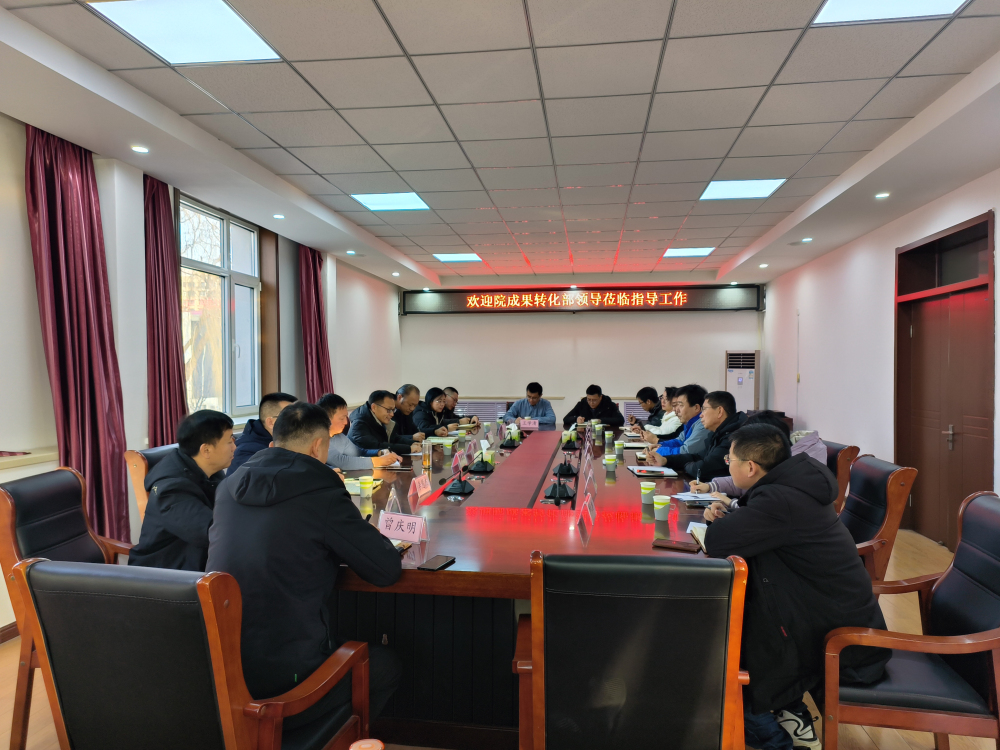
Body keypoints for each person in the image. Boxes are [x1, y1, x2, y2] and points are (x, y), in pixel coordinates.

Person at [207, 402, 402, 728]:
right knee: (384, 665)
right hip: (289, 682)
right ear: (318, 445)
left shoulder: (228, 487)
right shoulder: (322, 491)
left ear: (275, 440)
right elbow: (385, 570)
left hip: (222, 669)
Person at [703, 424, 889, 750]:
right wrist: (733, 512)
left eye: (730, 459)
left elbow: (717, 542)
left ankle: (777, 740)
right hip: (827, 617)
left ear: (751, 467)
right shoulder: (793, 487)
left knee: (726, 655)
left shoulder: (780, 500)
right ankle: (791, 714)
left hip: (840, 645)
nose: (726, 465)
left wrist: (723, 520)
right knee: (739, 634)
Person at [128, 410, 235, 571]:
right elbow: (213, 532)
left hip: (198, 562)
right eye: (229, 442)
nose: (234, 447)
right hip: (165, 574)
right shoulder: (171, 490)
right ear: (206, 450)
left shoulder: (209, 469)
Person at [691, 411, 826, 499]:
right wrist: (710, 486)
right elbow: (745, 479)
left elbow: (762, 509)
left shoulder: (793, 476)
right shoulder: (783, 462)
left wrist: (731, 504)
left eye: (730, 459)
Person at [664, 390, 745, 480]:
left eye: (704, 409)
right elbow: (698, 457)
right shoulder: (717, 433)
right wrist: (665, 460)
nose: (701, 415)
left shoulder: (733, 436)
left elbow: (703, 469)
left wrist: (685, 465)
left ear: (719, 411)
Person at [318, 393, 401, 471]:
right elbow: (342, 462)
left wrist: (380, 452)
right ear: (327, 419)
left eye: (346, 417)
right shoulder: (319, 439)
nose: (346, 422)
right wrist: (380, 461)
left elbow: (359, 452)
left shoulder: (340, 437)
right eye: (342, 418)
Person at [644, 384, 709, 465]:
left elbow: (686, 451)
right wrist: (660, 445)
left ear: (696, 408)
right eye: (676, 405)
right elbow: (679, 441)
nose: (676, 410)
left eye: (681, 405)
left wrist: (659, 451)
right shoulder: (689, 423)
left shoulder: (703, 425)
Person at [348, 390, 420, 455]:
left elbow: (394, 438)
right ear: (374, 407)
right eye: (389, 410)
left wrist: (413, 443)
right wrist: (408, 449)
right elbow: (376, 447)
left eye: (393, 410)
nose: (392, 414)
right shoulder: (359, 424)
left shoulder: (378, 419)